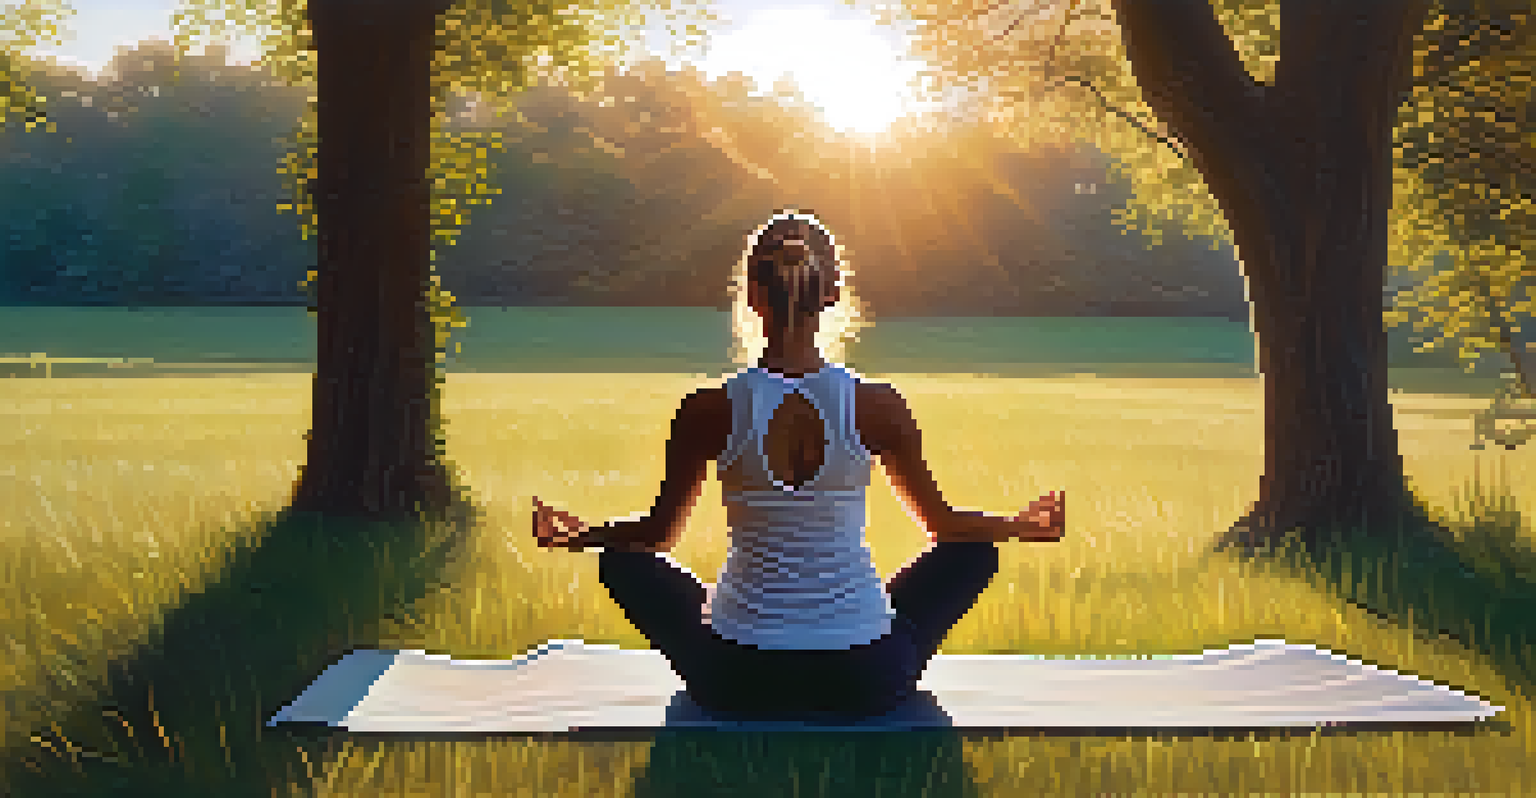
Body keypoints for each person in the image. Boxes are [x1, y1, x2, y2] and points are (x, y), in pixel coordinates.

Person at [531, 210, 1065, 719]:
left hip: (736, 680)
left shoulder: (708, 409)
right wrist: (1020, 526)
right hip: (863, 680)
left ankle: (759, 624)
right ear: (833, 293)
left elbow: (656, 536)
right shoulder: (878, 406)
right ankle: (854, 626)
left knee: (621, 561)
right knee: (974, 551)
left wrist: (582, 536)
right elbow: (943, 526)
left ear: (752, 295)